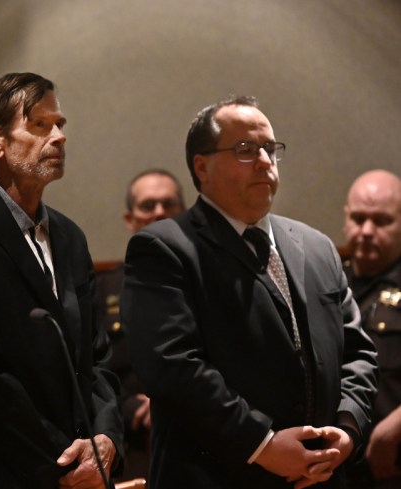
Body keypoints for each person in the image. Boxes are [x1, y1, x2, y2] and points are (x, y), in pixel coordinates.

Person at [120, 95, 378, 488]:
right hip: (219, 476)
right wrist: (264, 443)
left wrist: (348, 430)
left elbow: (357, 352)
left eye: (270, 149)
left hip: (323, 474)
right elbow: (174, 367)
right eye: (245, 150)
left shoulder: (318, 246)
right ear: (201, 166)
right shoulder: (165, 248)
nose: (263, 160)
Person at [0, 72, 123, 489]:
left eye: (60, 125)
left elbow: (97, 358)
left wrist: (106, 438)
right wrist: (63, 460)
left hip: (83, 464)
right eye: (39, 125)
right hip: (2, 471)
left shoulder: (70, 237)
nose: (57, 137)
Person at [94, 169, 185, 480]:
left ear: (184, 215)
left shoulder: (210, 284)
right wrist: (130, 407)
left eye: (168, 204)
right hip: (130, 445)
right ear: (129, 219)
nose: (158, 212)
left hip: (199, 433)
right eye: (148, 206)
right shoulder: (101, 290)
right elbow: (90, 372)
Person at [343, 170, 401, 489]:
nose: (366, 230)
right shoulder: (324, 282)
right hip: (336, 471)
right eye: (358, 218)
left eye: (381, 221)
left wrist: (397, 427)